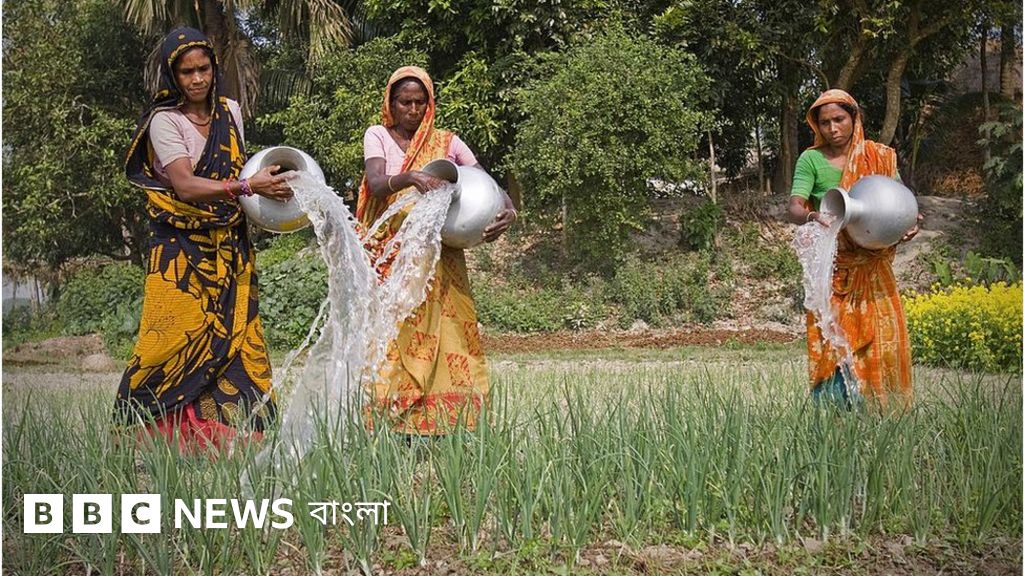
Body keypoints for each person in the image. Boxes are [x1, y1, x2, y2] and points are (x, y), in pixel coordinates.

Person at [115, 27, 293, 451]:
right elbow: (186, 186)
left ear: (214, 69)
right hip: (179, 251)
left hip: (229, 246)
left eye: (204, 69)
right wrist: (248, 187)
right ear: (172, 76)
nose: (197, 79)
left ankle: (237, 441)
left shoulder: (231, 112)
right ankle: (145, 438)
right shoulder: (164, 122)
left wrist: (267, 189)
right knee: (169, 340)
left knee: (238, 338)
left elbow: (239, 171)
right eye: (186, 72)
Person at [357, 66, 516, 435]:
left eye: (420, 102)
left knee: (449, 331)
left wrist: (508, 210)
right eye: (404, 102)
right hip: (394, 255)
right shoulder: (377, 135)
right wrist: (412, 177)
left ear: (429, 104)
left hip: (440, 254)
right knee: (394, 334)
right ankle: (391, 422)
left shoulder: (448, 142)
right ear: (391, 104)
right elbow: (377, 183)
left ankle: (447, 422)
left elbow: (486, 183)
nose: (412, 110)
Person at [786, 89, 922, 408]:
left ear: (854, 118)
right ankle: (834, 420)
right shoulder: (811, 160)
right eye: (825, 123)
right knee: (834, 347)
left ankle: (882, 416)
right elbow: (794, 207)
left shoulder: (878, 157)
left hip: (874, 268)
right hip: (835, 272)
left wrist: (907, 225)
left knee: (883, 342)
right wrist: (813, 215)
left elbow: (898, 201)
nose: (832, 128)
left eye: (839, 119)